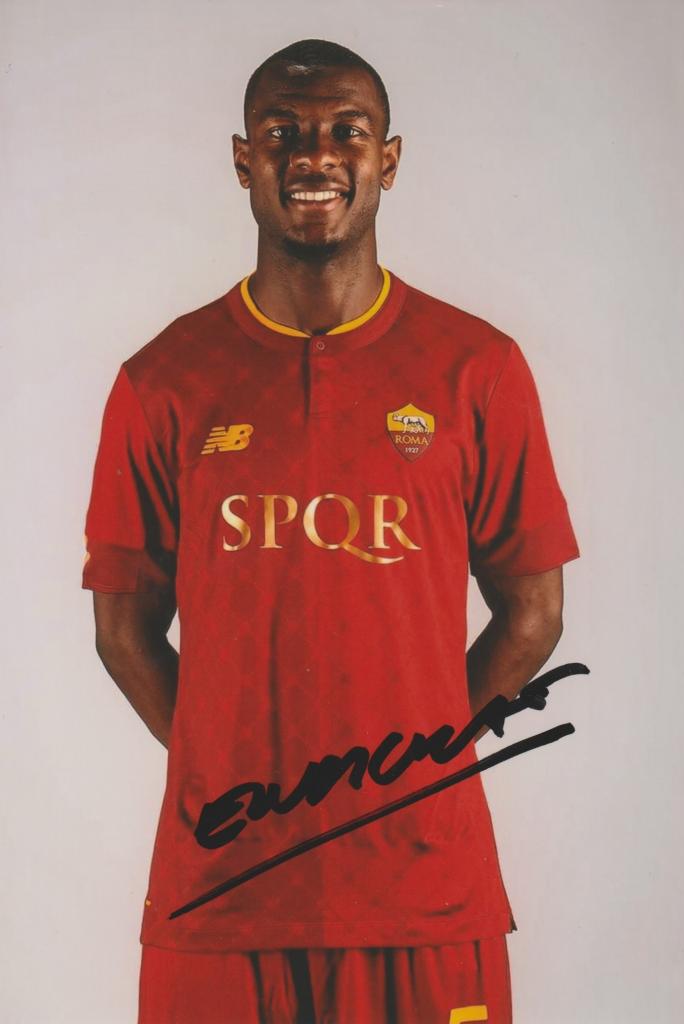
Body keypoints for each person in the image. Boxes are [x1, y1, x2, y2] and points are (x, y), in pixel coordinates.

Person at [82, 38, 579, 1024]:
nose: (314, 154)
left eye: (346, 132)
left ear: (386, 160)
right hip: (222, 888)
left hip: (424, 889)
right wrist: (227, 765)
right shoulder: (163, 379)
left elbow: (534, 610)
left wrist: (422, 763)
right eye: (283, 133)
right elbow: (121, 630)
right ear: (243, 160)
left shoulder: (475, 367)